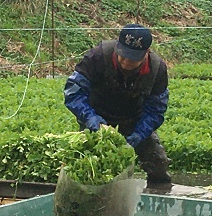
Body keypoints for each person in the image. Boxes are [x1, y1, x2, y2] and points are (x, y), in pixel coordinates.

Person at [64, 23, 171, 185]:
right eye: (123, 56)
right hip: (95, 119)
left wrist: (138, 135)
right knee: (91, 169)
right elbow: (73, 94)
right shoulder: (97, 57)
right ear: (118, 47)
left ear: (146, 54)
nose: (126, 63)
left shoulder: (157, 69)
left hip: (134, 123)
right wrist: (93, 120)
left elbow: (156, 110)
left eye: (133, 59)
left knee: (158, 165)